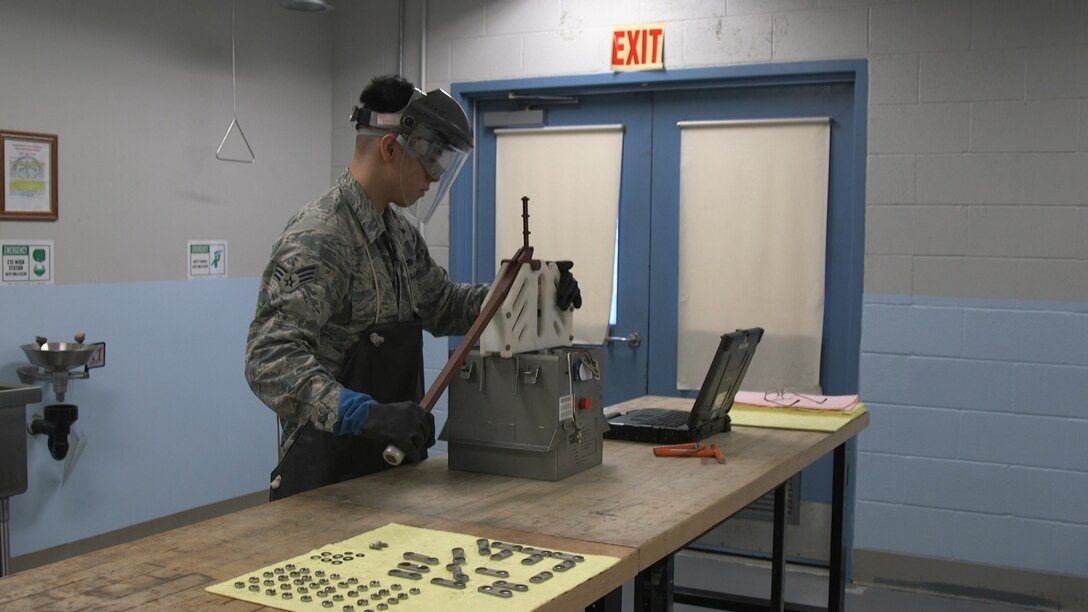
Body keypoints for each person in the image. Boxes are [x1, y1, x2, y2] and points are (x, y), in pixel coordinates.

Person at [245, 75, 581, 501]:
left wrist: (533, 293)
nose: (435, 179)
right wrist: (361, 413)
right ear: (390, 149)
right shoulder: (321, 236)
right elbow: (268, 358)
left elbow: (444, 306)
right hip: (325, 480)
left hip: (388, 472)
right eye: (432, 163)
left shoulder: (400, 236)